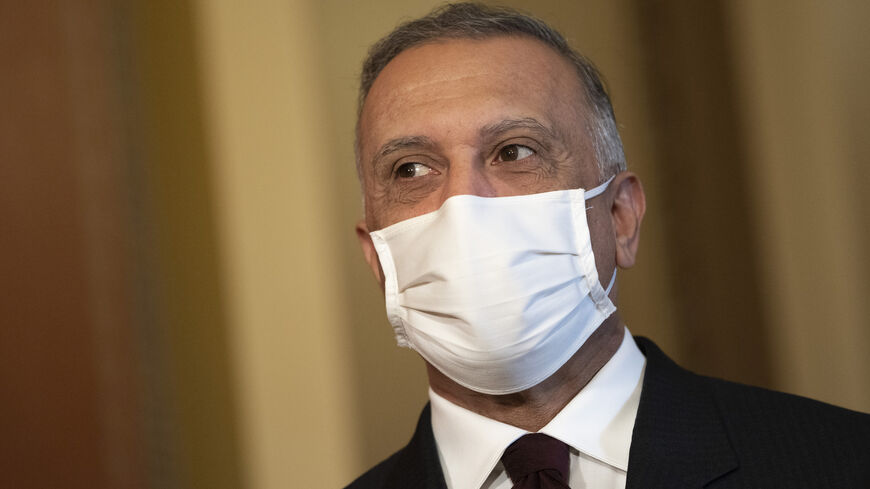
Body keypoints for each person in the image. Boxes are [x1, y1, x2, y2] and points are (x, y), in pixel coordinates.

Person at [346, 3, 870, 488]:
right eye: (410, 169)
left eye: (514, 151)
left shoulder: (844, 463)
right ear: (378, 259)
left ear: (621, 218)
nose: (463, 203)